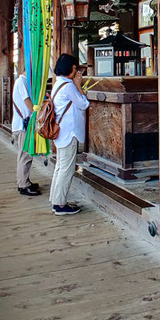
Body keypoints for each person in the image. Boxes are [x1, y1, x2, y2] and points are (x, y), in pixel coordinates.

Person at [48, 53, 89, 216]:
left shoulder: (59, 83)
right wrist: (78, 84)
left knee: (60, 167)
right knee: (66, 169)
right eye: (75, 67)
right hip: (68, 133)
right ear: (71, 68)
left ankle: (56, 200)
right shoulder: (69, 86)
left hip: (61, 132)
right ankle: (60, 204)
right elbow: (83, 104)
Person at [11, 60, 42, 197]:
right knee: (25, 155)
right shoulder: (22, 81)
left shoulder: (21, 82)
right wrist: (37, 112)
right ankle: (23, 184)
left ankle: (24, 181)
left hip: (22, 124)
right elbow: (27, 100)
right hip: (23, 125)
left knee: (25, 154)